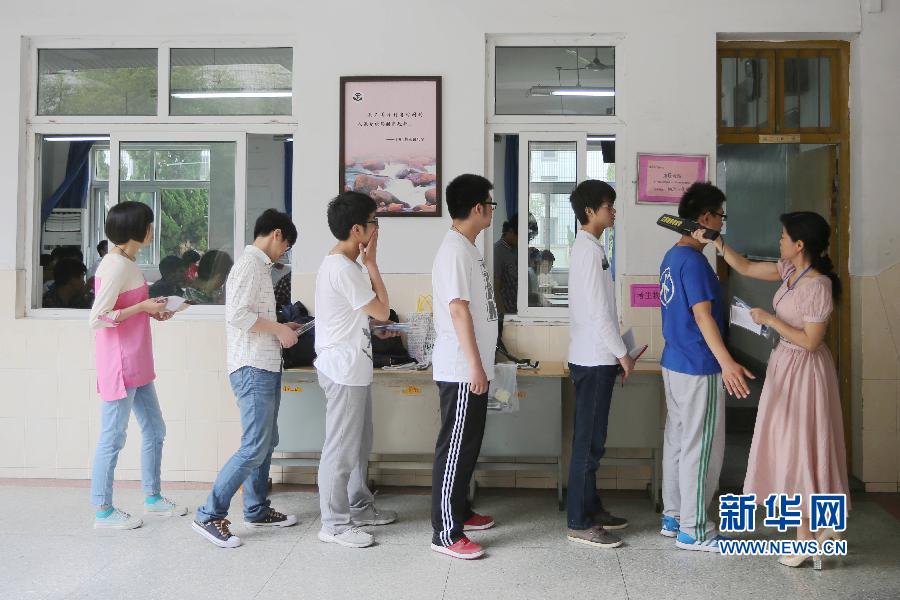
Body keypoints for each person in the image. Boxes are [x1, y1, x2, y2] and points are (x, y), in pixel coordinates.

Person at [697, 211, 849, 569]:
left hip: (806, 372)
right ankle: (821, 531)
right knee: (788, 445)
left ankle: (807, 538)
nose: (779, 241)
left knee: (804, 446)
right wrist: (716, 242)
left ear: (800, 244)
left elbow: (811, 341)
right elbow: (746, 266)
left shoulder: (818, 286)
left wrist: (770, 320)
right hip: (785, 366)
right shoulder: (790, 271)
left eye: (783, 237)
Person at [193, 209, 301, 548]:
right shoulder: (248, 265)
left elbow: (253, 316)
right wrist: (278, 329)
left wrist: (282, 326)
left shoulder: (259, 267)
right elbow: (238, 315)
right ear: (276, 234)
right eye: (286, 246)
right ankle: (209, 514)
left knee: (266, 442)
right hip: (252, 367)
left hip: (264, 365)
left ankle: (256, 509)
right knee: (254, 445)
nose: (284, 253)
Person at [658, 182, 754, 553]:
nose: (722, 223)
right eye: (720, 216)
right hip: (699, 366)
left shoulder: (672, 256)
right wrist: (727, 362)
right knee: (702, 448)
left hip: (675, 363)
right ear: (705, 218)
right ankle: (694, 529)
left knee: (679, 442)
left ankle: (673, 517)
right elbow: (702, 316)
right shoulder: (696, 262)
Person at [89, 201, 186, 530]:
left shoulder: (127, 262)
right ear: (134, 229)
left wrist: (154, 311)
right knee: (113, 437)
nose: (152, 230)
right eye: (148, 224)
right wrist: (143, 307)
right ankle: (103, 511)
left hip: (138, 360)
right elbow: (98, 318)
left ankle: (153, 498)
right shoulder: (115, 265)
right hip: (121, 364)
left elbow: (128, 306)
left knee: (155, 429)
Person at [314, 191, 399, 549]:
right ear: (357, 230)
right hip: (344, 370)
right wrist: (373, 264)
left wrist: (373, 327)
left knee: (359, 445)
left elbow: (365, 315)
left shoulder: (344, 265)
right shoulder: (344, 268)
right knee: (341, 450)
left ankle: (360, 507)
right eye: (373, 222)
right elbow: (383, 310)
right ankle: (334, 524)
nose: (377, 228)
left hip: (353, 367)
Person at [429, 174, 499, 560]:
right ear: (477, 208)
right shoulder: (454, 250)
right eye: (490, 204)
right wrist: (474, 365)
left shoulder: (468, 248)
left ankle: (461, 511)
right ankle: (445, 531)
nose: (492, 210)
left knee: (468, 446)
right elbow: (458, 310)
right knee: (454, 449)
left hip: (473, 367)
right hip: (461, 369)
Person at [565, 180, 633, 549]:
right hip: (593, 360)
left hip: (597, 357)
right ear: (590, 211)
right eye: (609, 205)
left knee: (594, 443)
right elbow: (597, 312)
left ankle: (591, 509)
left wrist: (618, 351)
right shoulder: (587, 251)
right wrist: (622, 353)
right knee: (587, 445)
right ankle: (578, 521)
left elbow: (602, 310)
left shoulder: (593, 247)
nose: (614, 211)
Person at [493, 214, 519, 316]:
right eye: (519, 236)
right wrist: (502, 316)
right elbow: (495, 287)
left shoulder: (516, 250)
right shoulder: (497, 251)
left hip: (518, 310)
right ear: (511, 231)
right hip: (506, 312)